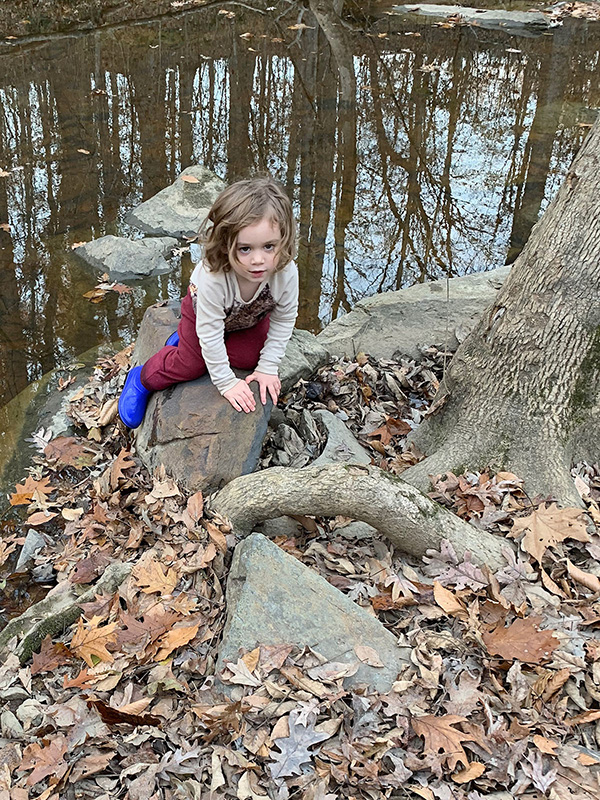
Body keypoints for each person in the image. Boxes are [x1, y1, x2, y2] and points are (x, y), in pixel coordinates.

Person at [118, 176, 299, 428]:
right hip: (203, 316)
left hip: (249, 317)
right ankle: (142, 377)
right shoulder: (215, 278)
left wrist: (268, 366)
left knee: (248, 360)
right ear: (226, 245)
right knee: (191, 364)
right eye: (245, 249)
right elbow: (211, 332)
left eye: (269, 246)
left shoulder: (285, 272)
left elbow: (284, 317)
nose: (259, 260)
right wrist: (225, 382)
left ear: (283, 238)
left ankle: (186, 341)